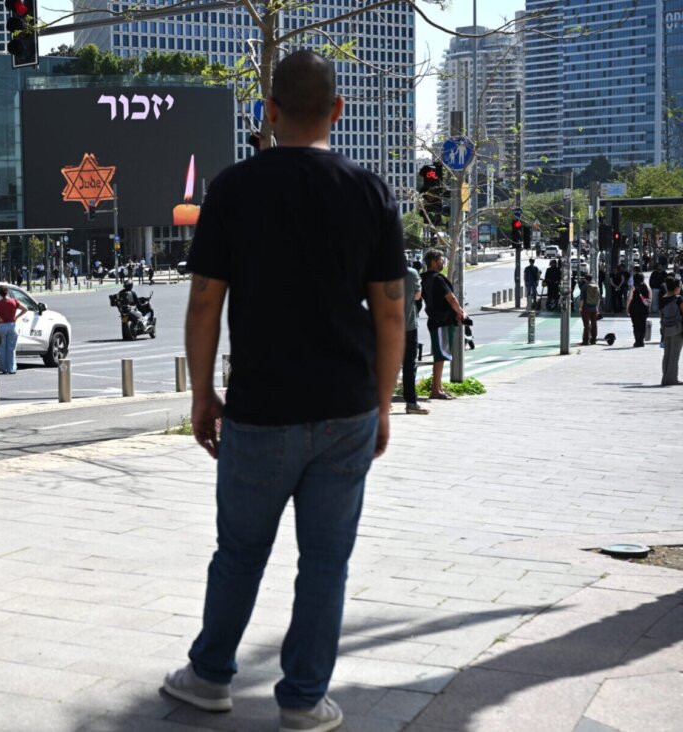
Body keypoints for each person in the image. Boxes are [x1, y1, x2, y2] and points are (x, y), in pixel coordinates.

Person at [162, 50, 405, 732]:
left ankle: (209, 675)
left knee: (239, 553)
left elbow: (205, 301)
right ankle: (303, 699)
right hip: (347, 408)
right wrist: (383, 405)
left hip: (260, 407)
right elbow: (391, 312)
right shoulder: (370, 191)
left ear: (268, 111)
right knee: (326, 563)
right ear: (337, 111)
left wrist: (203, 394)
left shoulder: (233, 189)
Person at [422, 249, 467, 400]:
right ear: (433, 262)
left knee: (440, 355)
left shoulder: (425, 279)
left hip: (434, 320)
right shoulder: (438, 279)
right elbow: (451, 298)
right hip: (441, 321)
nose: (443, 262)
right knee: (440, 356)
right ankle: (436, 390)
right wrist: (461, 312)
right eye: (441, 260)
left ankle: (439, 388)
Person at [402, 264, 427, 414]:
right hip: (408, 325)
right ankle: (411, 402)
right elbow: (417, 296)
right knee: (409, 365)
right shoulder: (411, 273)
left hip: (384, 326)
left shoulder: (378, 272)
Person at [0, 284, 27, 374]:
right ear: (7, 292)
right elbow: (25, 309)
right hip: (12, 326)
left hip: (1, 326)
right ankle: (11, 368)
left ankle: (3, 368)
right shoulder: (14, 301)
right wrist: (16, 317)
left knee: (1, 348)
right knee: (11, 349)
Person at [660, 276, 682, 385]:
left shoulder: (662, 299)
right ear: (676, 288)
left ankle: (665, 378)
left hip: (666, 329)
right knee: (674, 355)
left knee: (667, 354)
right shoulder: (678, 299)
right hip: (677, 329)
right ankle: (671, 379)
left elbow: (661, 315)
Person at [629, 271, 651, 347]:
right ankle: (641, 341)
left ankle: (637, 341)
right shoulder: (647, 287)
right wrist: (649, 307)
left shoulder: (633, 287)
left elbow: (629, 298)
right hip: (644, 308)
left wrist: (627, 307)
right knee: (643, 324)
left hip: (634, 308)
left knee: (636, 325)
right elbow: (650, 298)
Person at [579, 275, 602, 345]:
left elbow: (582, 299)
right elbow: (598, 298)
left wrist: (580, 307)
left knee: (586, 325)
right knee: (594, 324)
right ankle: (593, 340)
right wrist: (597, 308)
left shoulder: (584, 287)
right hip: (594, 308)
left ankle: (586, 340)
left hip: (586, 308)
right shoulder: (596, 286)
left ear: (585, 279)